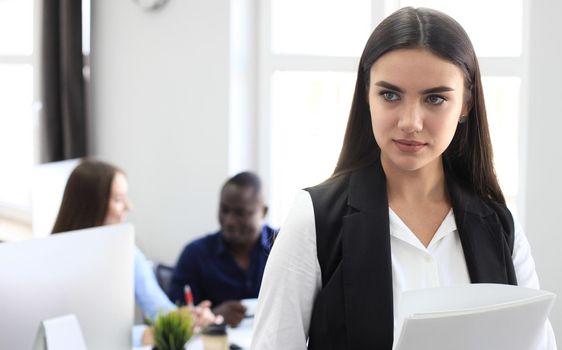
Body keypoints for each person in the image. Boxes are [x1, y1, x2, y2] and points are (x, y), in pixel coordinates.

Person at [251, 7, 557, 350]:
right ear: (367, 94)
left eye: (435, 98)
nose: (411, 121)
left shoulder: (501, 227)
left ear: (466, 103)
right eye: (390, 95)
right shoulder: (315, 219)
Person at [52, 159, 220, 346]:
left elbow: (160, 310)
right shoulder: (54, 259)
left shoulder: (128, 253)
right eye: (118, 199)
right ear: (89, 206)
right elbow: (82, 334)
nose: (129, 207)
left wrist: (189, 318)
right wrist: (143, 335)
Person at [169, 171, 275, 327]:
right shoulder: (195, 255)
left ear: (263, 211)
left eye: (240, 213)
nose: (230, 221)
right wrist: (213, 317)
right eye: (224, 210)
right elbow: (175, 323)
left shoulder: (283, 247)